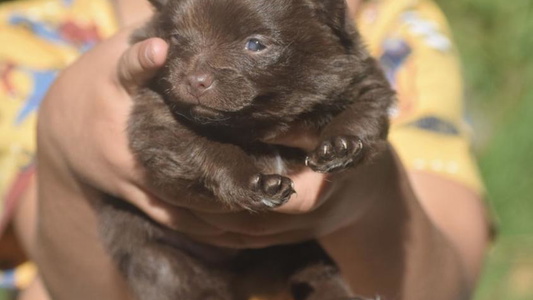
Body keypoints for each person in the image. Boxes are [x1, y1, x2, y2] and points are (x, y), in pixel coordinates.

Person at [0, 0, 492, 299]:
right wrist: (62, 145)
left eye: (255, 44)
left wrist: (372, 194)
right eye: (183, 41)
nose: (199, 73)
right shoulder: (23, 46)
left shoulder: (396, 35)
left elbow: (447, 285)